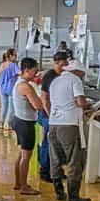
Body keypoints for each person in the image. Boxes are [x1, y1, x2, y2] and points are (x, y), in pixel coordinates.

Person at [47, 59, 93, 201]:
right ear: (77, 72)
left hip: (53, 124)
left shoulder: (55, 81)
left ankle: (59, 192)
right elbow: (80, 101)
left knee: (55, 159)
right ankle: (73, 196)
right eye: (82, 74)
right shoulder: (75, 80)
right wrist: (88, 105)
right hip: (68, 125)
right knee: (74, 160)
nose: (82, 77)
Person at [10, 57, 47, 196]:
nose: (36, 73)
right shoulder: (25, 86)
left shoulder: (21, 83)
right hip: (25, 123)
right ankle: (24, 186)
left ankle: (18, 183)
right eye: (34, 70)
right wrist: (41, 95)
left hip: (20, 120)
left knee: (21, 154)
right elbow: (37, 105)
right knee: (26, 156)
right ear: (26, 70)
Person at [37, 52, 71, 189]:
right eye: (64, 63)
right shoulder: (49, 76)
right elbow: (44, 98)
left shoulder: (61, 76)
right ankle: (45, 171)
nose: (66, 65)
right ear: (57, 62)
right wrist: (50, 115)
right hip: (47, 116)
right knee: (47, 143)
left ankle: (55, 170)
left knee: (56, 144)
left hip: (56, 115)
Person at [0, 48, 20, 130]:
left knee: (3, 107)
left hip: (2, 89)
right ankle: (9, 124)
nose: (16, 57)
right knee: (11, 108)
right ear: (10, 56)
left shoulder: (2, 65)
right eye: (15, 55)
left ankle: (1, 123)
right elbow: (19, 73)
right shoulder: (13, 65)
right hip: (10, 89)